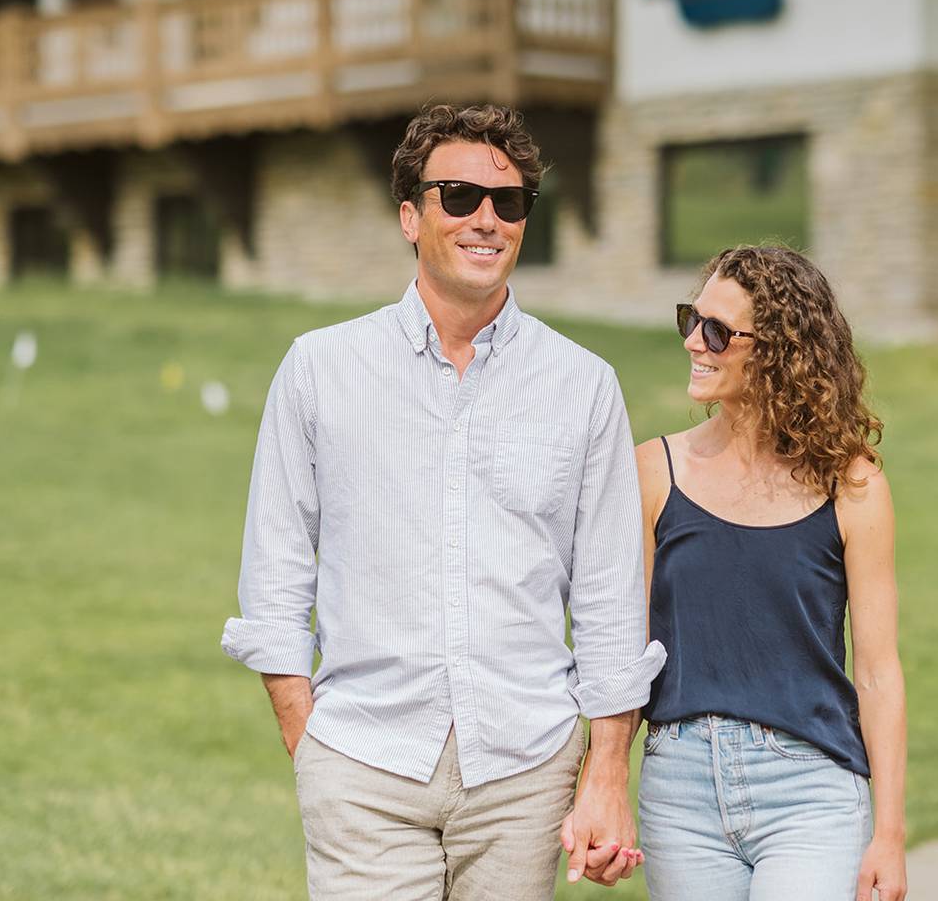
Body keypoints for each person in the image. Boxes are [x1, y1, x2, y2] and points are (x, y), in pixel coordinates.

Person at [220, 103, 662, 900]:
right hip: (363, 762)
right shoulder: (320, 370)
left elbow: (608, 596)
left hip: (526, 771)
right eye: (458, 197)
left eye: (509, 201)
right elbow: (276, 563)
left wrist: (604, 772)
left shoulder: (584, 386)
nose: (486, 218)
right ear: (409, 216)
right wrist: (304, 730)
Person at [635, 245, 908, 901]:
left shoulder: (853, 485)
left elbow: (877, 670)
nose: (695, 343)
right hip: (680, 792)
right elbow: (622, 649)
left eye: (719, 331)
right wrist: (601, 783)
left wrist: (890, 834)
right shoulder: (653, 471)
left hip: (810, 790)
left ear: (781, 350)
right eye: (690, 320)